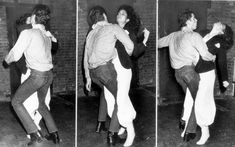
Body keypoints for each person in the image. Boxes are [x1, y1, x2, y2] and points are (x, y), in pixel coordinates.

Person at [2, 4, 60, 146]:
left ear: (34, 17)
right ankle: (55, 135)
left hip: (38, 76)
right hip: (48, 76)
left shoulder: (28, 33)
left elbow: (15, 55)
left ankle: (34, 135)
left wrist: (6, 60)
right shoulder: (46, 34)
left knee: (16, 102)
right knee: (42, 105)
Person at [158, 9, 215, 142]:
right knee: (199, 100)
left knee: (190, 97)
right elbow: (205, 55)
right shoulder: (194, 36)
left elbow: (159, 43)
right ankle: (189, 131)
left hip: (178, 75)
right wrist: (213, 57)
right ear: (188, 21)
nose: (196, 21)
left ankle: (183, 120)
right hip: (190, 72)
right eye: (194, 19)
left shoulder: (173, 35)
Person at [83, 5, 134, 146]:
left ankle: (100, 124)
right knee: (120, 98)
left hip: (93, 74)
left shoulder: (91, 33)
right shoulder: (113, 27)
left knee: (107, 94)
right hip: (105, 70)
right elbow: (130, 46)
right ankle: (113, 134)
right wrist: (126, 52)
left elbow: (85, 57)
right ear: (105, 16)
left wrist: (87, 77)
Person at [102, 5, 150, 147]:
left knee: (121, 101)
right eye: (118, 13)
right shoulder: (111, 29)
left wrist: (145, 41)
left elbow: (135, 52)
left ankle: (131, 131)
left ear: (127, 19)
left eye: (123, 14)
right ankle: (123, 123)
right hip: (110, 69)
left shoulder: (129, 33)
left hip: (123, 70)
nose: (119, 15)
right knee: (110, 99)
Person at [181, 22, 234, 145]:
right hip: (194, 73)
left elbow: (221, 62)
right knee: (189, 100)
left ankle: (206, 132)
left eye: (223, 25)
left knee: (201, 103)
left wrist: (224, 79)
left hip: (207, 75)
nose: (219, 22)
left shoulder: (219, 42)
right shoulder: (203, 33)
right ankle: (187, 129)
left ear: (222, 31)